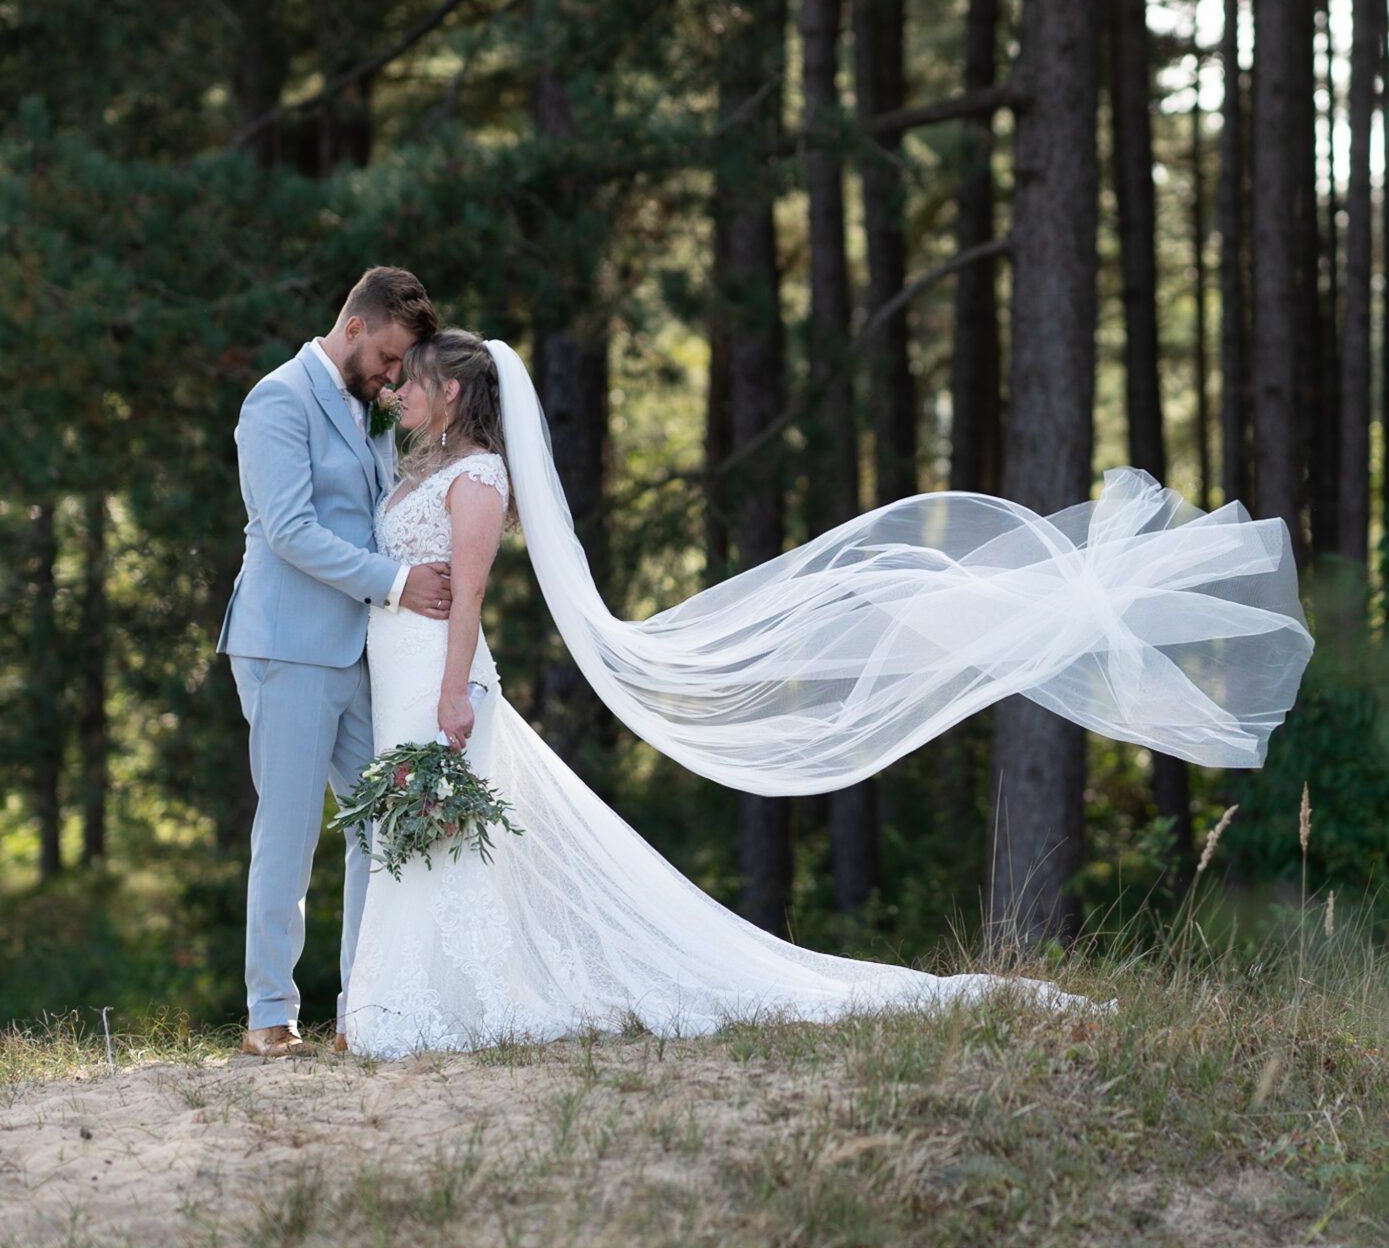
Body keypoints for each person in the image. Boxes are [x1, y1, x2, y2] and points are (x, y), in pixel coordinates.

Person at [339, 329, 1316, 1056]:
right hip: (401, 674)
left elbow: (469, 593)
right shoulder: (421, 469)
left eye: (413, 380)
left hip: (440, 681)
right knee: (426, 832)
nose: (399, 392)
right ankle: (414, 998)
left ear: (453, 390)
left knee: (447, 830)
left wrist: (456, 693)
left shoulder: (478, 478)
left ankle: (442, 1004)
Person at [216, 267, 458, 1059]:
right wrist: (397, 583)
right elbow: (289, 530)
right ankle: (269, 1016)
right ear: (353, 327)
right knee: (288, 832)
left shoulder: (369, 410)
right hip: (287, 645)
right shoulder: (277, 400)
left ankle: (365, 1008)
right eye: (387, 358)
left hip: (360, 650)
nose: (392, 377)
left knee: (380, 824)